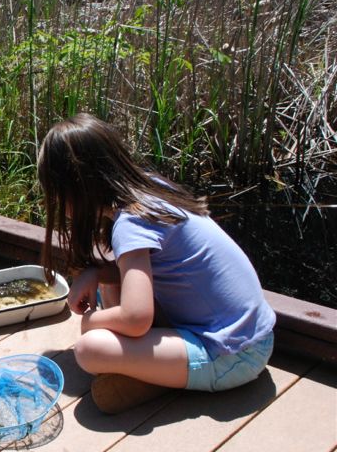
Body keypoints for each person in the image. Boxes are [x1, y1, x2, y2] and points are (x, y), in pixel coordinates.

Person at [37, 113, 276, 414]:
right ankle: (153, 369)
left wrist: (89, 322)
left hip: (233, 354)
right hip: (251, 335)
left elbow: (136, 319)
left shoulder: (130, 223)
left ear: (76, 188)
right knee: (110, 288)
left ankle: (151, 377)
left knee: (90, 348)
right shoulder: (150, 191)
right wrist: (96, 272)